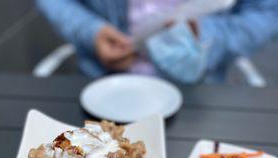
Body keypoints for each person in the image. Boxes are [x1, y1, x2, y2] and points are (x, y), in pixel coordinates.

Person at [36, 0, 278, 83]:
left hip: (200, 91)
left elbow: (266, 12)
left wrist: (208, 36)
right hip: (103, 83)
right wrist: (91, 31)